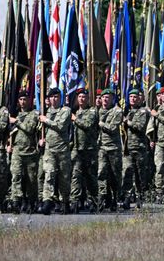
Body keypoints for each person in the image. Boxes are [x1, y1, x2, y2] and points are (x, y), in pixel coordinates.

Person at [39, 87, 73, 215]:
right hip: (49, 150)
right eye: (52, 97)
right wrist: (40, 139)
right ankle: (47, 201)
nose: (54, 99)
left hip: (63, 150)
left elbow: (60, 126)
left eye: (56, 97)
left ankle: (65, 201)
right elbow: (40, 128)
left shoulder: (65, 110)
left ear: (60, 98)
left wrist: (45, 120)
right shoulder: (45, 111)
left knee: (64, 178)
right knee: (49, 174)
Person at [9, 89, 41, 213]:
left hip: (30, 151)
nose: (23, 102)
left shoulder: (33, 114)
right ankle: (16, 201)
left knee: (31, 179)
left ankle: (31, 201)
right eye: (21, 100)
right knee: (16, 175)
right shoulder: (14, 113)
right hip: (17, 150)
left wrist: (16, 121)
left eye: (25, 100)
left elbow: (29, 128)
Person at [70, 88, 99, 212]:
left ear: (88, 99)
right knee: (76, 175)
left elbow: (87, 125)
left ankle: (93, 200)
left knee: (90, 177)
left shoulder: (92, 111)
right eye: (80, 97)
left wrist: (75, 119)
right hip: (76, 149)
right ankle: (75, 201)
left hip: (89, 149)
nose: (82, 99)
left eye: (84, 97)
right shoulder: (74, 112)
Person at [123, 89, 152, 205]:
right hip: (128, 148)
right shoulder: (127, 111)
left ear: (139, 99)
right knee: (128, 171)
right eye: (131, 97)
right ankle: (127, 196)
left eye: (135, 97)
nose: (133, 99)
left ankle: (141, 196)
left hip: (139, 148)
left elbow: (140, 127)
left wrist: (128, 123)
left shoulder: (143, 112)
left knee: (140, 174)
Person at [98, 89, 124, 211]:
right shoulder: (97, 111)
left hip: (113, 148)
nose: (105, 99)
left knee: (115, 175)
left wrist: (101, 124)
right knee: (101, 172)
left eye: (108, 97)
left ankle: (116, 197)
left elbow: (113, 128)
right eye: (103, 97)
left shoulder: (117, 111)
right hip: (101, 147)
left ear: (112, 98)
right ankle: (104, 197)